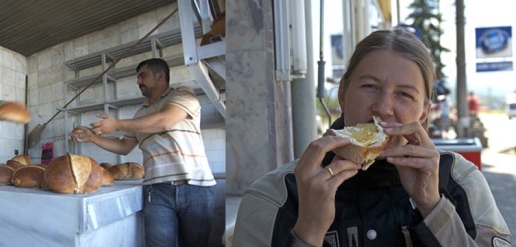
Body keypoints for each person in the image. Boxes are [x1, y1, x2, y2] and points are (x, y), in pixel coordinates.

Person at [233, 29, 511, 246]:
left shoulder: (460, 179)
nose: (383, 108)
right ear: (343, 94)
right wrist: (309, 230)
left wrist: (433, 206)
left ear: (424, 113)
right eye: (369, 86)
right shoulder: (273, 195)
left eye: (404, 94)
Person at [73, 58, 216, 246]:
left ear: (160, 76)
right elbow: (124, 146)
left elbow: (164, 120)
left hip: (195, 186)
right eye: (137, 77)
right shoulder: (140, 115)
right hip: (156, 190)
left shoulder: (182, 94)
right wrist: (92, 137)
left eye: (143, 76)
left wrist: (117, 124)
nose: (138, 81)